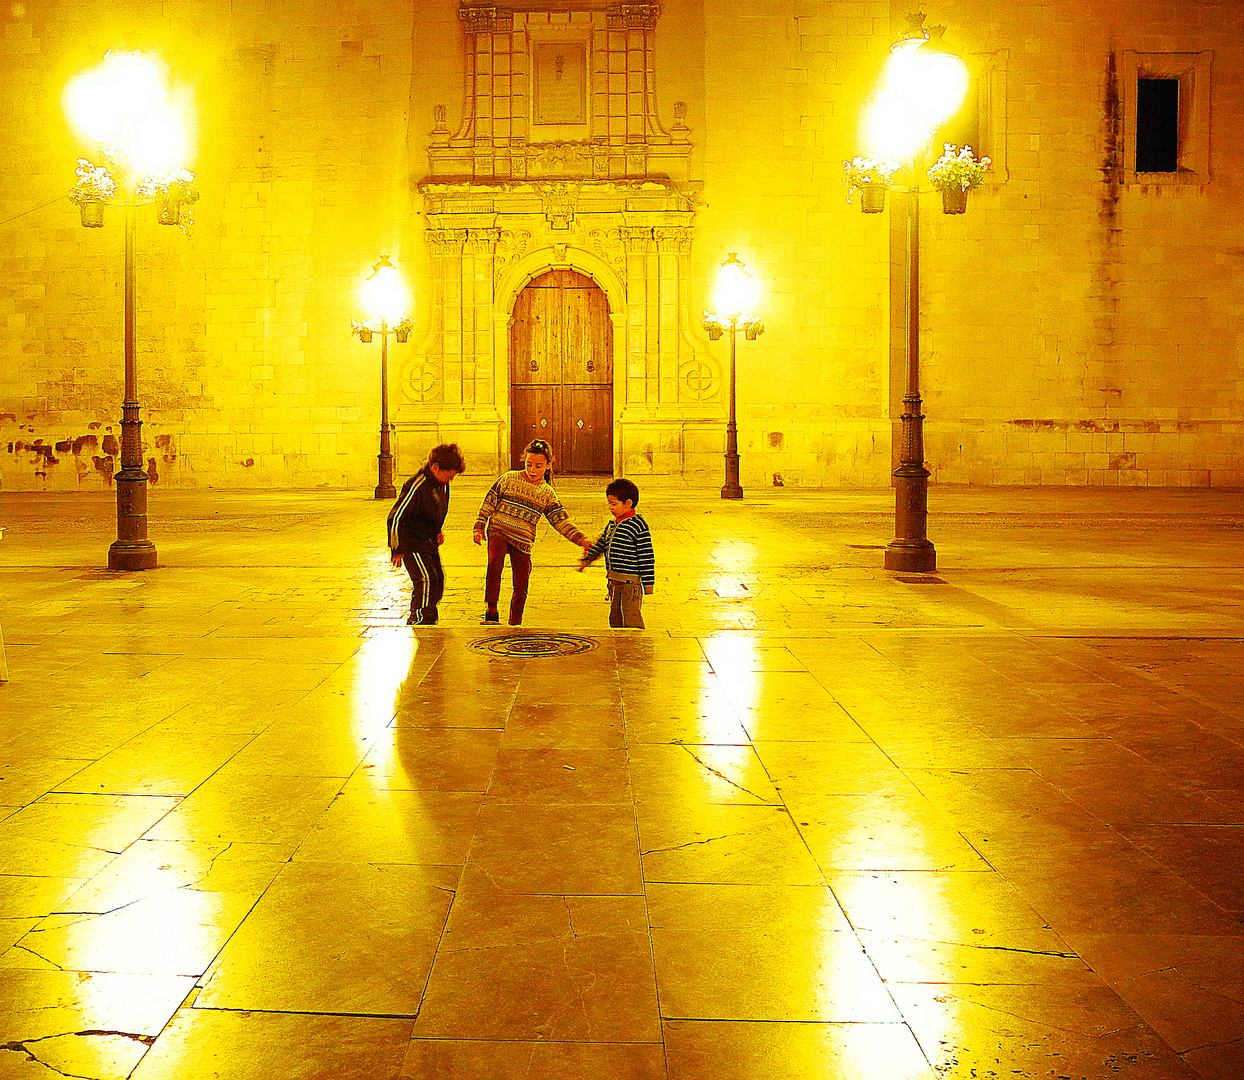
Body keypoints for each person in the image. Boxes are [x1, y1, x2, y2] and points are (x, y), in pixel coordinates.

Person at [474, 439, 592, 625]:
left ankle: (515, 621)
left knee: (521, 581)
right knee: (494, 566)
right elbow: (489, 501)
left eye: (538, 466)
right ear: (524, 461)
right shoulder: (508, 478)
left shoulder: (547, 493)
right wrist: (479, 526)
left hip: (523, 540)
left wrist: (581, 539)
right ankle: (491, 609)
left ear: (548, 465)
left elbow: (560, 520)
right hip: (498, 530)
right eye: (529, 464)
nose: (532, 470)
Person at [387, 443, 465, 626]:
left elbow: (438, 509)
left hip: (428, 540)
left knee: (437, 580)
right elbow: (395, 518)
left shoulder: (442, 484)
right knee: (426, 579)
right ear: (435, 467)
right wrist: (396, 548)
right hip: (411, 541)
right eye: (449, 475)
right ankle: (420, 620)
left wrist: (437, 530)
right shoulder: (417, 484)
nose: (450, 479)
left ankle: (427, 615)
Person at [577, 477, 655, 629]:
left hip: (630, 584)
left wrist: (648, 583)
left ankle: (636, 645)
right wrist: (588, 559)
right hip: (614, 581)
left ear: (628, 504)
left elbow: (646, 556)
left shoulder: (638, 525)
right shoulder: (612, 524)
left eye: (613, 504)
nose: (610, 507)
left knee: (631, 616)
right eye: (609, 503)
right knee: (615, 616)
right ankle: (619, 646)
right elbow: (601, 544)